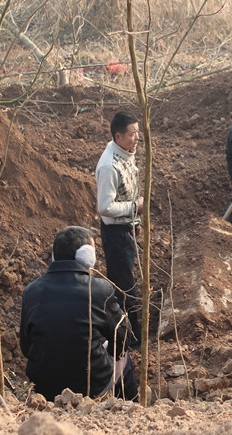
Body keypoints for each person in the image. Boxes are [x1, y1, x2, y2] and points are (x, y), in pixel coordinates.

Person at [20, 226, 138, 401]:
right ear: (87, 257)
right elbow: (123, 335)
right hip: (92, 385)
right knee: (124, 358)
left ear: (54, 256)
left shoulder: (31, 292)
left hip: (45, 388)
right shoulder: (100, 290)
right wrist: (110, 353)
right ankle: (131, 408)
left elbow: (26, 347)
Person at [96, 111, 143, 349]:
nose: (137, 138)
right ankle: (132, 337)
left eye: (137, 132)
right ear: (118, 136)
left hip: (128, 227)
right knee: (124, 286)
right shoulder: (108, 166)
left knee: (126, 280)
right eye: (133, 133)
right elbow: (105, 207)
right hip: (116, 234)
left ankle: (125, 330)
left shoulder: (127, 153)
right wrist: (133, 207)